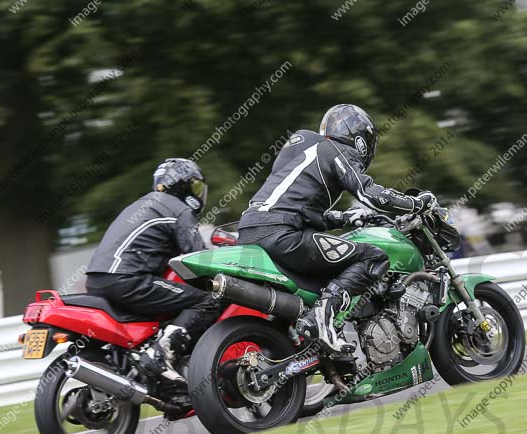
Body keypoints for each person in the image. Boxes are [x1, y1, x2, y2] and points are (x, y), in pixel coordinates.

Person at [238, 104, 434, 352]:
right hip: (283, 234)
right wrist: (415, 204)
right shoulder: (336, 149)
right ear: (360, 137)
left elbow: (302, 210)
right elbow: (370, 193)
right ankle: (323, 321)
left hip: (250, 231)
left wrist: (345, 218)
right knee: (373, 257)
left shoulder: (304, 152)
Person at [85, 158, 219, 382]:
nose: (197, 193)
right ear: (182, 185)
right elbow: (199, 258)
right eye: (195, 186)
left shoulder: (140, 205)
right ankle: (160, 354)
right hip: (128, 280)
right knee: (207, 300)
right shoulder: (179, 210)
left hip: (97, 281)